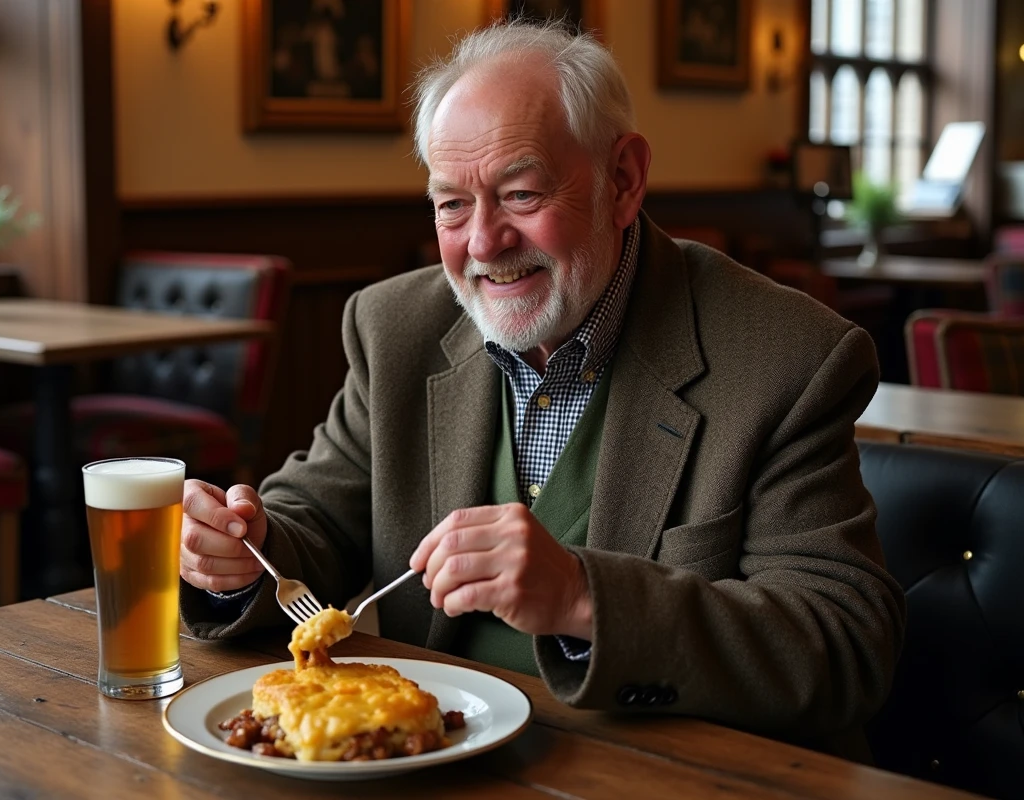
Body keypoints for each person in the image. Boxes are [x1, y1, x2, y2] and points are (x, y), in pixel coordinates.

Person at [178, 20, 904, 760]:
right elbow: (314, 520)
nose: (484, 242)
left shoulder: (787, 356)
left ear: (622, 181)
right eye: (452, 204)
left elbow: (845, 645)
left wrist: (583, 599)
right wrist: (247, 552)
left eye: (521, 194)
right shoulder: (394, 326)